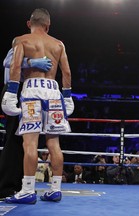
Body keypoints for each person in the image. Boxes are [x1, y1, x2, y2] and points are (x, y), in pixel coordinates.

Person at [2, 8, 74, 204]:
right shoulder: (59, 44)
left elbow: (15, 67)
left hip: (32, 91)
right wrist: (67, 97)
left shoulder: (21, 40)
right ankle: (56, 189)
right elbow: (66, 73)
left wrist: (10, 94)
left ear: (29, 23)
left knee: (30, 143)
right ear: (48, 25)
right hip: (53, 92)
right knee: (54, 144)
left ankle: (27, 191)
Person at [0, 49, 51, 199]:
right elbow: (8, 62)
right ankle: (6, 187)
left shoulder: (42, 47)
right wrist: (31, 62)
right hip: (14, 89)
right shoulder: (22, 42)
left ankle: (23, 186)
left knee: (28, 141)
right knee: (14, 139)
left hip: (32, 91)